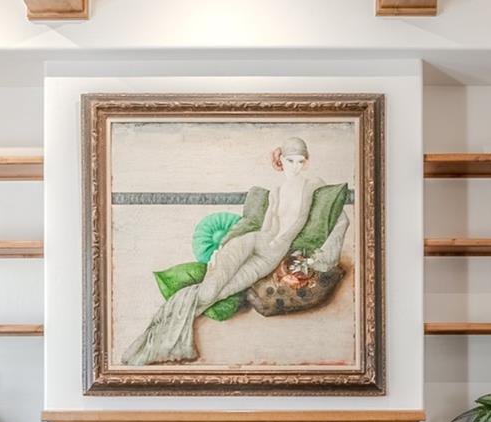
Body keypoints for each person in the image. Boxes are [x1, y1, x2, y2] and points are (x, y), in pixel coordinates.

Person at [123, 136, 350, 365]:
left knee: (212, 294)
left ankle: (157, 341)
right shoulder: (276, 191)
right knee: (211, 286)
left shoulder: (314, 185)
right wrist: (221, 248)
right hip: (253, 241)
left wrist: (324, 256)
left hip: (270, 256)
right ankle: (156, 339)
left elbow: (339, 217)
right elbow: (263, 226)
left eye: (300, 161)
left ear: (307, 162)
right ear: (281, 160)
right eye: (290, 161)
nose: (295, 167)